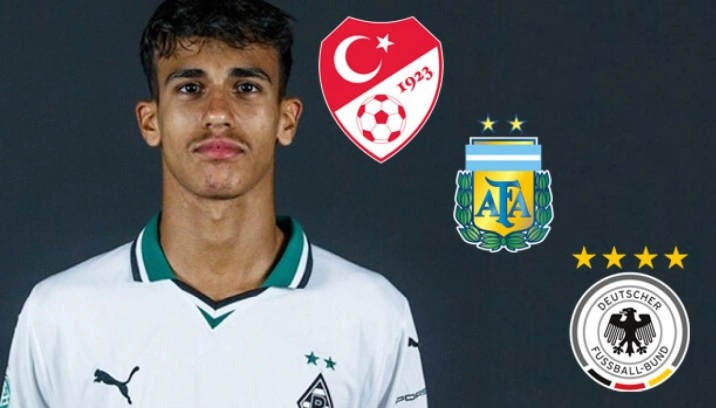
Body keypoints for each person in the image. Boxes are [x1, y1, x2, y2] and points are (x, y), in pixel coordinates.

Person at [1, 0, 427, 406]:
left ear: (286, 119)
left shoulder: (371, 314)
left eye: (246, 87)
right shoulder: (60, 316)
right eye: (190, 88)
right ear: (151, 121)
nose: (218, 113)